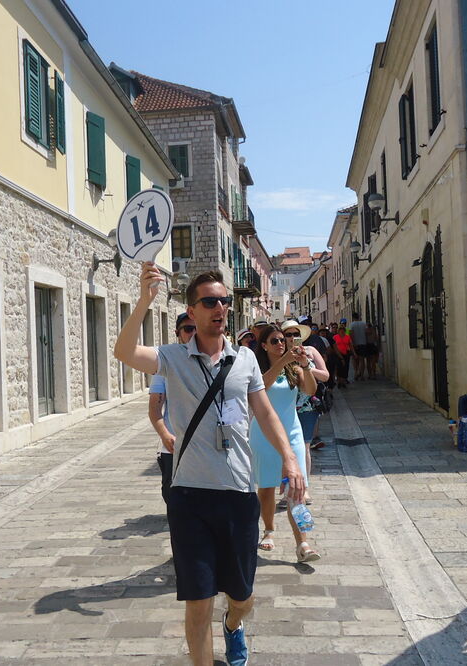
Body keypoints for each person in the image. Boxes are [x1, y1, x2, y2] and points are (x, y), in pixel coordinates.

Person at [114, 264, 304, 666]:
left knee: (243, 597)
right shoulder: (173, 358)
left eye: (224, 301)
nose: (220, 308)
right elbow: (124, 352)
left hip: (237, 493)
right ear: (192, 311)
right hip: (189, 496)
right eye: (210, 302)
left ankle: (234, 625)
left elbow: (265, 412)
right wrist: (145, 302)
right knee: (198, 603)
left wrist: (289, 457)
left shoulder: (247, 359)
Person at [251, 324, 321, 563]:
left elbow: (311, 390)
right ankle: (269, 529)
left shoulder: (293, 368)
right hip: (263, 434)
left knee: (296, 489)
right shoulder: (257, 369)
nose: (281, 344)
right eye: (275, 341)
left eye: (283, 340)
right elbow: (262, 386)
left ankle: (303, 542)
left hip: (292, 434)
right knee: (267, 487)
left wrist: (304, 365)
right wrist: (281, 362)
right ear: (264, 346)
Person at [149, 313, 195, 504]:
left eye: (197, 328)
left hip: (207, 445)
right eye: (188, 329)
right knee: (173, 496)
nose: (193, 333)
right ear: (178, 333)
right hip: (175, 444)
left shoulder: (216, 361)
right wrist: (165, 435)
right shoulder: (166, 363)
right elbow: (154, 409)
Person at [282, 319, 330, 501]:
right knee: (286, 449)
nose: (292, 338)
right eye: (288, 335)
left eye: (296, 334)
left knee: (304, 446)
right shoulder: (279, 353)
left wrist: (306, 365)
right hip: (285, 406)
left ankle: (305, 487)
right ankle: (288, 488)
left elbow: (325, 376)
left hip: (307, 405)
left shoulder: (310, 351)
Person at [333, 319, 353, 388]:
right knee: (339, 368)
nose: (342, 330)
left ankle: (343, 381)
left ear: (344, 330)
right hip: (338, 354)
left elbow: (351, 345)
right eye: (340, 329)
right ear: (338, 330)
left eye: (343, 329)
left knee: (345, 368)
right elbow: (333, 346)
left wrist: (354, 353)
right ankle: (339, 381)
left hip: (346, 354)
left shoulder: (347, 337)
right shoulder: (335, 337)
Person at [349, 312, 368, 380]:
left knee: (354, 359)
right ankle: (362, 375)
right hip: (363, 343)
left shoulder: (351, 325)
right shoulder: (363, 324)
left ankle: (356, 372)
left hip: (354, 344)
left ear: (353, 317)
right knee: (361, 359)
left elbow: (350, 335)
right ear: (359, 317)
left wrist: (353, 343)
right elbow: (366, 333)